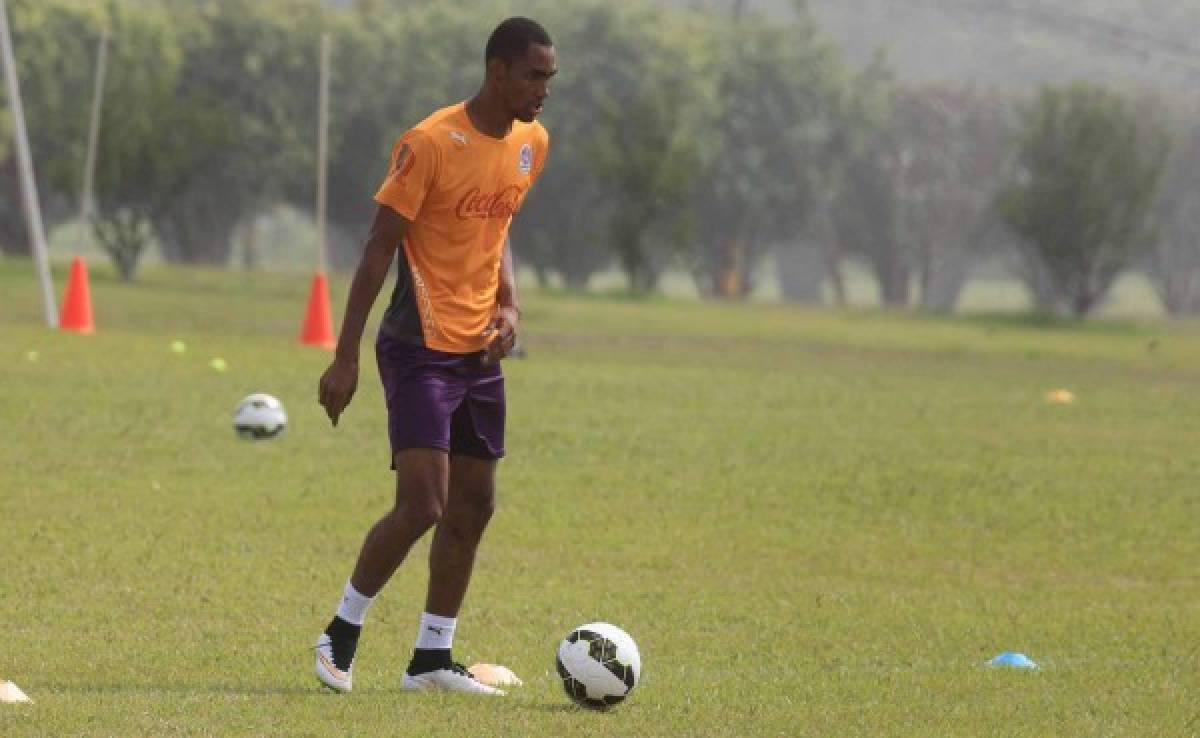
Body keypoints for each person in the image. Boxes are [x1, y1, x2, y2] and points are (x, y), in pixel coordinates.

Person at [313, 17, 555, 695]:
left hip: (480, 352)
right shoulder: (430, 142)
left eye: (549, 78)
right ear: (497, 71)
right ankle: (342, 630)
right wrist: (344, 357)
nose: (543, 90)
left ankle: (430, 658)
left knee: (474, 507)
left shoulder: (533, 143)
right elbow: (377, 247)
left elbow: (498, 224)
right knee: (423, 503)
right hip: (418, 346)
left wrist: (510, 306)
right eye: (533, 75)